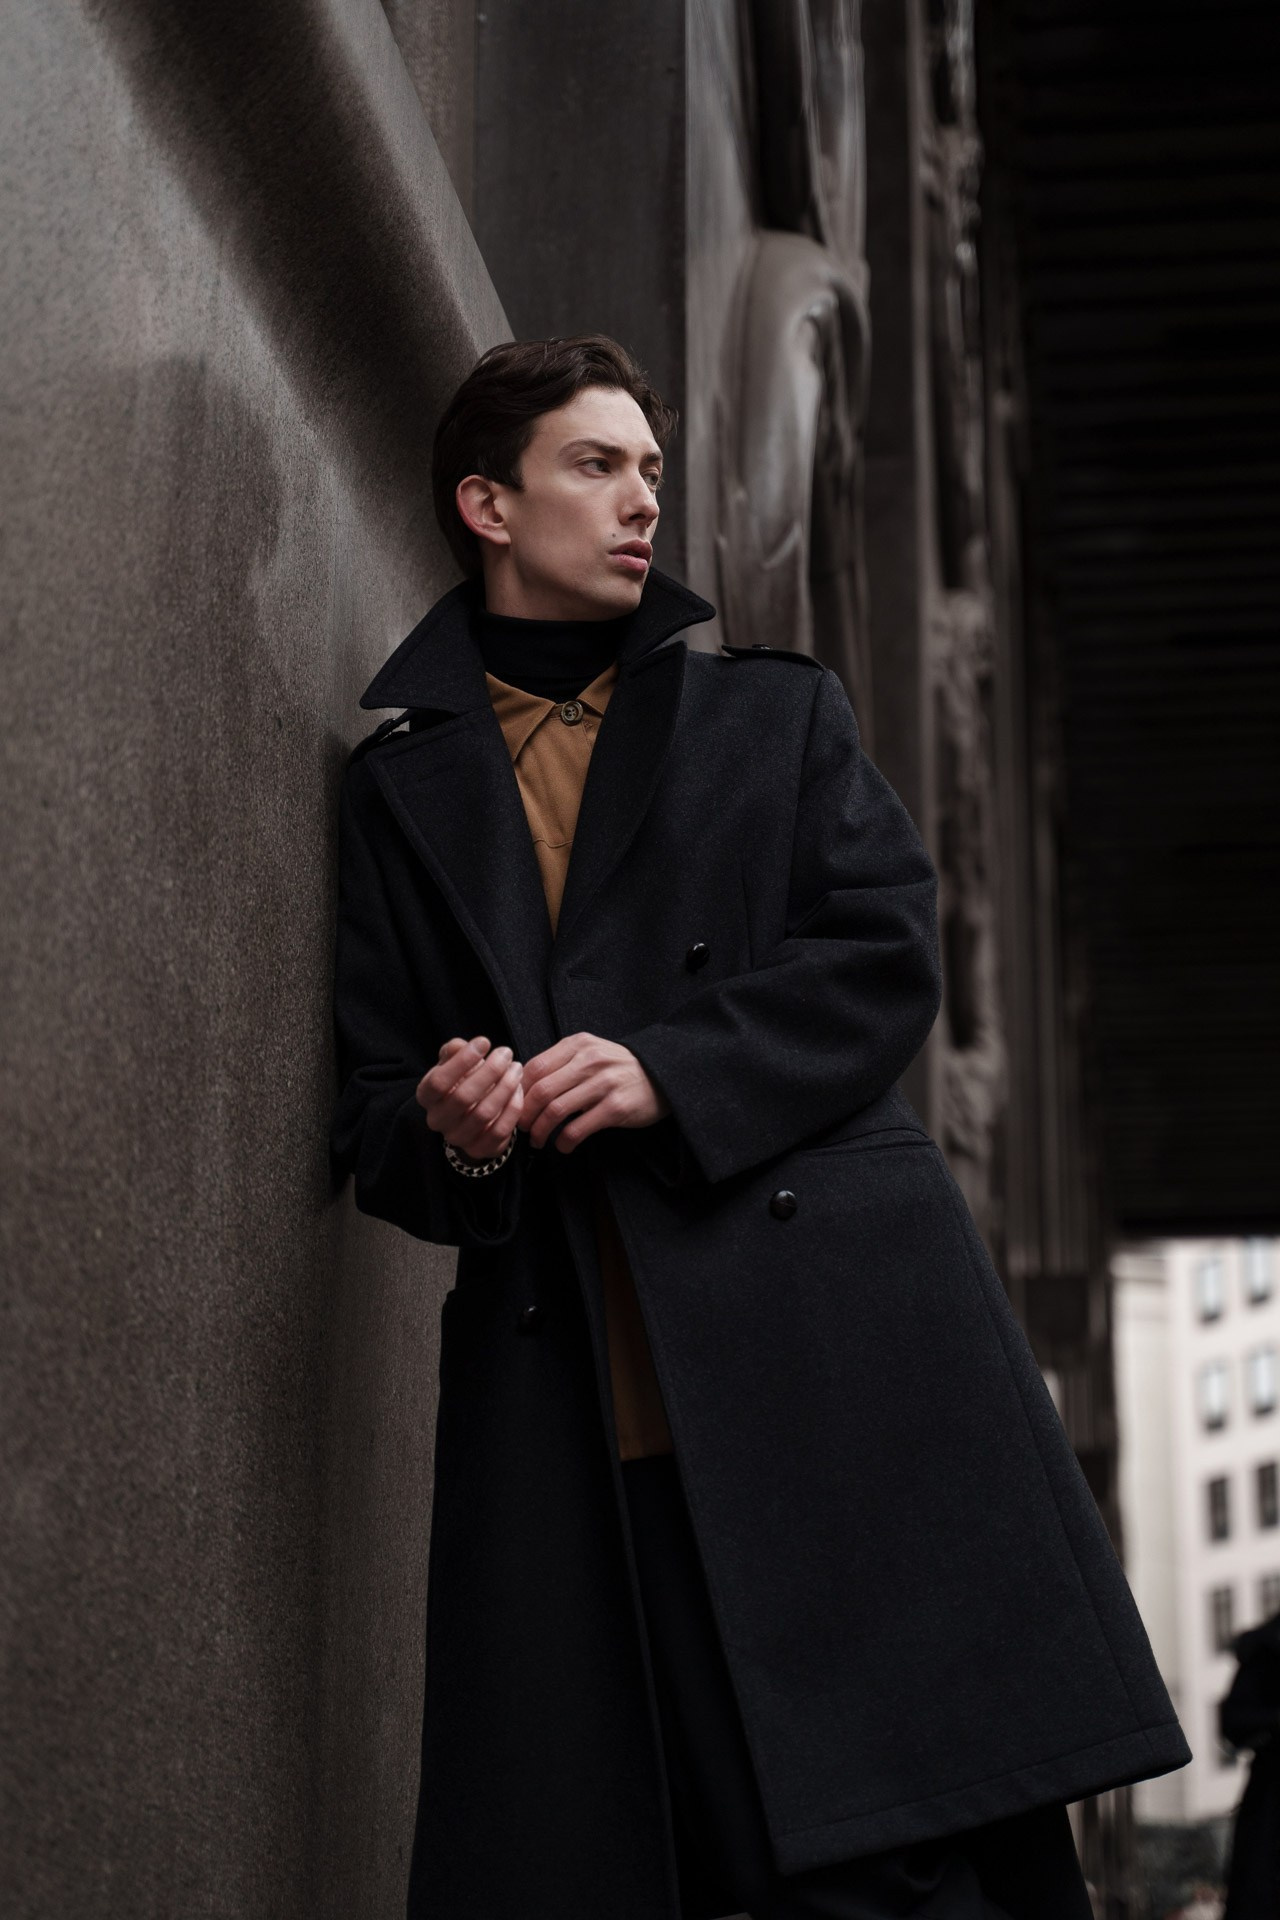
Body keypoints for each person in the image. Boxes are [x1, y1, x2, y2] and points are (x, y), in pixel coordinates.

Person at [329, 333, 1189, 1919]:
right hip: (581, 1399)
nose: (644, 497)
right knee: (664, 1846)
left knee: (902, 1852)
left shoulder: (769, 722)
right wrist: (459, 1126)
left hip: (827, 1358)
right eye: (597, 466)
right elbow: (376, 1116)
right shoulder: (397, 797)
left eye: (653, 467)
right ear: (487, 504)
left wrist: (672, 1067)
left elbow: (886, 955)